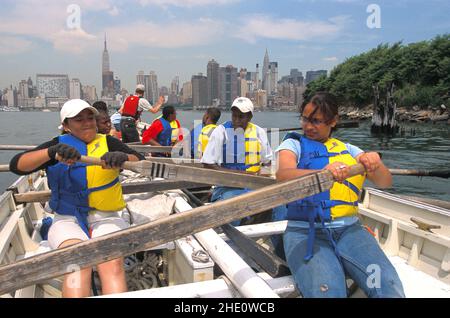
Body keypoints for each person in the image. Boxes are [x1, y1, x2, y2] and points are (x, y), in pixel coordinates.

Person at [9, 99, 145, 298]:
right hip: (66, 220)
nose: (87, 122)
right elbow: (17, 165)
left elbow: (140, 161)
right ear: (66, 126)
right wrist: (50, 153)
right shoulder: (57, 145)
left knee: (111, 264)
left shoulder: (109, 142)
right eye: (78, 119)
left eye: (90, 117)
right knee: (77, 264)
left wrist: (123, 158)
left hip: (107, 217)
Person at [275, 92, 405, 298]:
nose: (308, 126)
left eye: (316, 121)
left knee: (388, 286)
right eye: (305, 119)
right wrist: (323, 172)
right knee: (329, 292)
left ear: (333, 121)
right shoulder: (293, 145)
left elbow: (384, 182)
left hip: (351, 231)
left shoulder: (349, 149)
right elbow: (283, 175)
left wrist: (375, 163)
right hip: (306, 233)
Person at [201, 97, 278, 226]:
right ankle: (230, 241)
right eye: (234, 116)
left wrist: (265, 175)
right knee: (234, 206)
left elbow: (267, 162)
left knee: (278, 205)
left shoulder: (259, 132)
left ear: (249, 117)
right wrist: (240, 175)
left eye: (241, 117)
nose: (236, 120)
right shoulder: (221, 131)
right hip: (228, 187)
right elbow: (208, 163)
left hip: (255, 185)